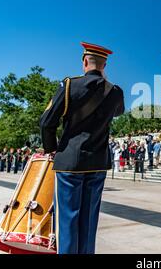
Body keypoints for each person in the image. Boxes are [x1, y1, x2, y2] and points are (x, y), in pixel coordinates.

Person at [39, 41, 124, 254]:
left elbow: (47, 122)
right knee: (88, 222)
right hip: (97, 163)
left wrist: (52, 150)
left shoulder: (69, 85)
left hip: (70, 162)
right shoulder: (115, 92)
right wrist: (103, 82)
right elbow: (119, 112)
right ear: (104, 66)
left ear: (85, 61)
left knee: (67, 222)